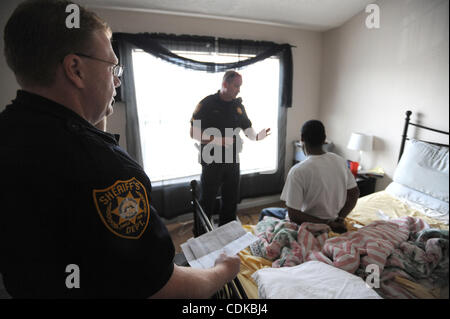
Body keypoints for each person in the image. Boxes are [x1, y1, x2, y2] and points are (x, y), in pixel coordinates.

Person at [0, 0, 240, 298]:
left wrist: (92, 112)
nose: (116, 79)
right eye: (113, 65)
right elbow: (162, 287)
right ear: (75, 69)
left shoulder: (10, 130)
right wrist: (223, 270)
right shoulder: (110, 173)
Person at [190, 70, 270, 232]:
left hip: (232, 160)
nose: (239, 90)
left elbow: (247, 129)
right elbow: (193, 133)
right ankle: (201, 233)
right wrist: (218, 140)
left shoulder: (238, 106)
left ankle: (227, 231)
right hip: (212, 159)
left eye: (240, 86)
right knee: (207, 200)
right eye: (236, 86)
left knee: (231, 199)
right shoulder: (207, 104)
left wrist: (257, 137)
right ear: (225, 84)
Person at [259, 120, 359, 233]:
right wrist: (339, 218)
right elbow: (354, 193)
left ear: (302, 138)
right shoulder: (340, 161)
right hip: (334, 220)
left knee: (265, 212)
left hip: (311, 225)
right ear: (324, 139)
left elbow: (293, 215)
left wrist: (327, 224)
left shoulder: (298, 171)